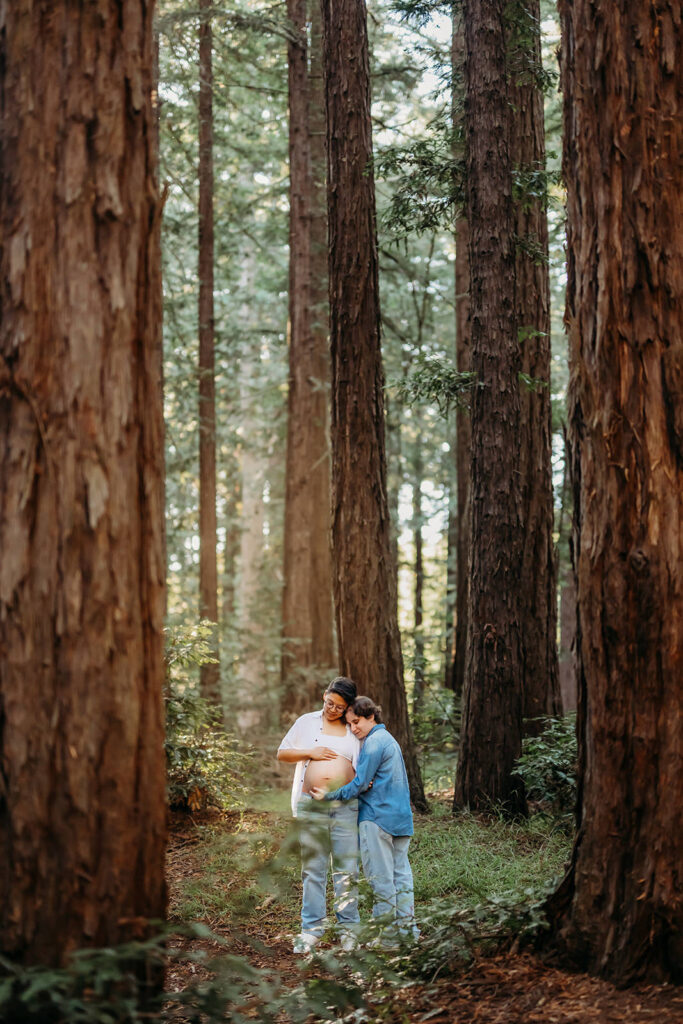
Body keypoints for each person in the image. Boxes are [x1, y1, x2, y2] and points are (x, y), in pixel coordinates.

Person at [311, 696, 418, 947]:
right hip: (401, 819)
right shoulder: (389, 740)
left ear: (372, 716)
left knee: (380, 880)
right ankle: (407, 933)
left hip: (378, 819)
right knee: (401, 878)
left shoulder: (373, 743)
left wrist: (328, 796)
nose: (353, 728)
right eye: (349, 724)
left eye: (357, 722)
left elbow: (359, 785)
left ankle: (388, 939)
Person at [277, 677, 361, 954]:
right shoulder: (307, 722)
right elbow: (283, 753)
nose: (332, 709)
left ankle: (349, 928)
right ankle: (311, 929)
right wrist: (310, 752)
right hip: (311, 804)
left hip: (345, 806)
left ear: (348, 707)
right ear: (324, 695)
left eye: (339, 707)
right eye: (329, 702)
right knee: (313, 868)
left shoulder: (354, 730)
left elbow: (362, 767)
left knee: (346, 868)